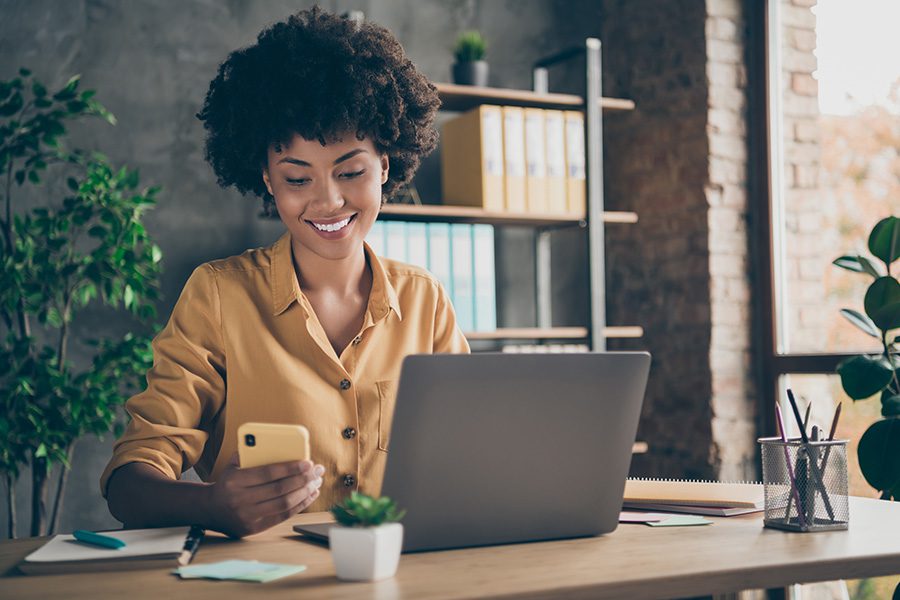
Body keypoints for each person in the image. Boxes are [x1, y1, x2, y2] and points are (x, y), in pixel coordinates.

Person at [102, 6, 469, 538]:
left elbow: (470, 455)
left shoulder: (424, 301)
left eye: (351, 171)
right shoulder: (220, 296)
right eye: (298, 178)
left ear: (385, 166)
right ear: (267, 180)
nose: (329, 200)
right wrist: (210, 505)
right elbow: (128, 485)